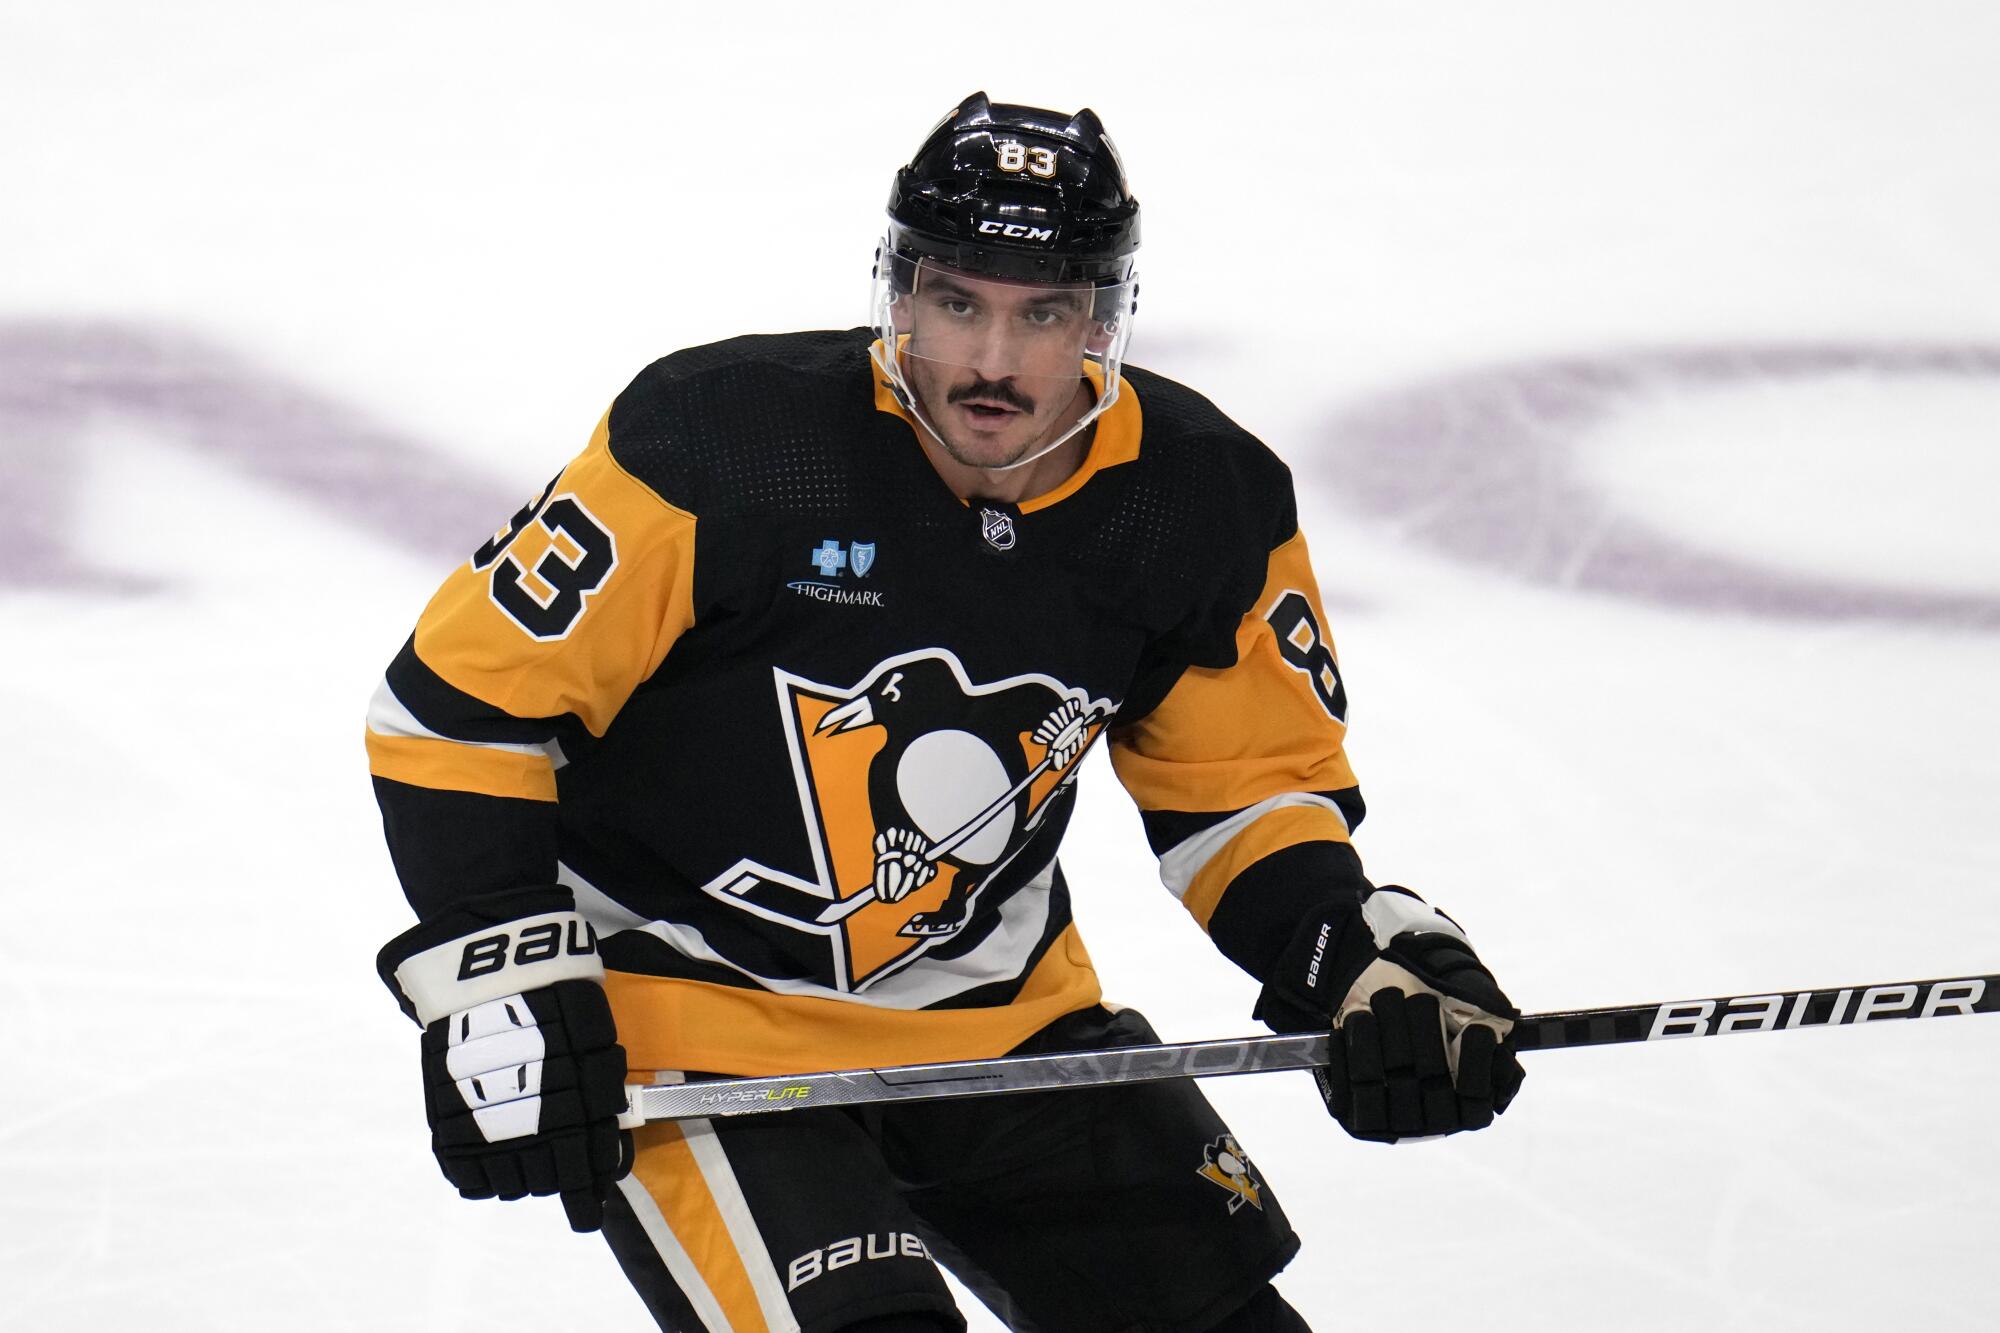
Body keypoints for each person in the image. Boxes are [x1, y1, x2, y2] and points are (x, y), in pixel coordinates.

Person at [367, 92, 1525, 1333]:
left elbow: (1240, 796)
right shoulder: (728, 442)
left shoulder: (1196, 497)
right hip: (690, 1034)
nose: (991, 360)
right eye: (956, 301)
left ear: (1102, 317)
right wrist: (501, 979)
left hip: (1005, 1021)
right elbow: (455, 712)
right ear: (898, 293)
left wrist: (1347, 952)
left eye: (1044, 312)